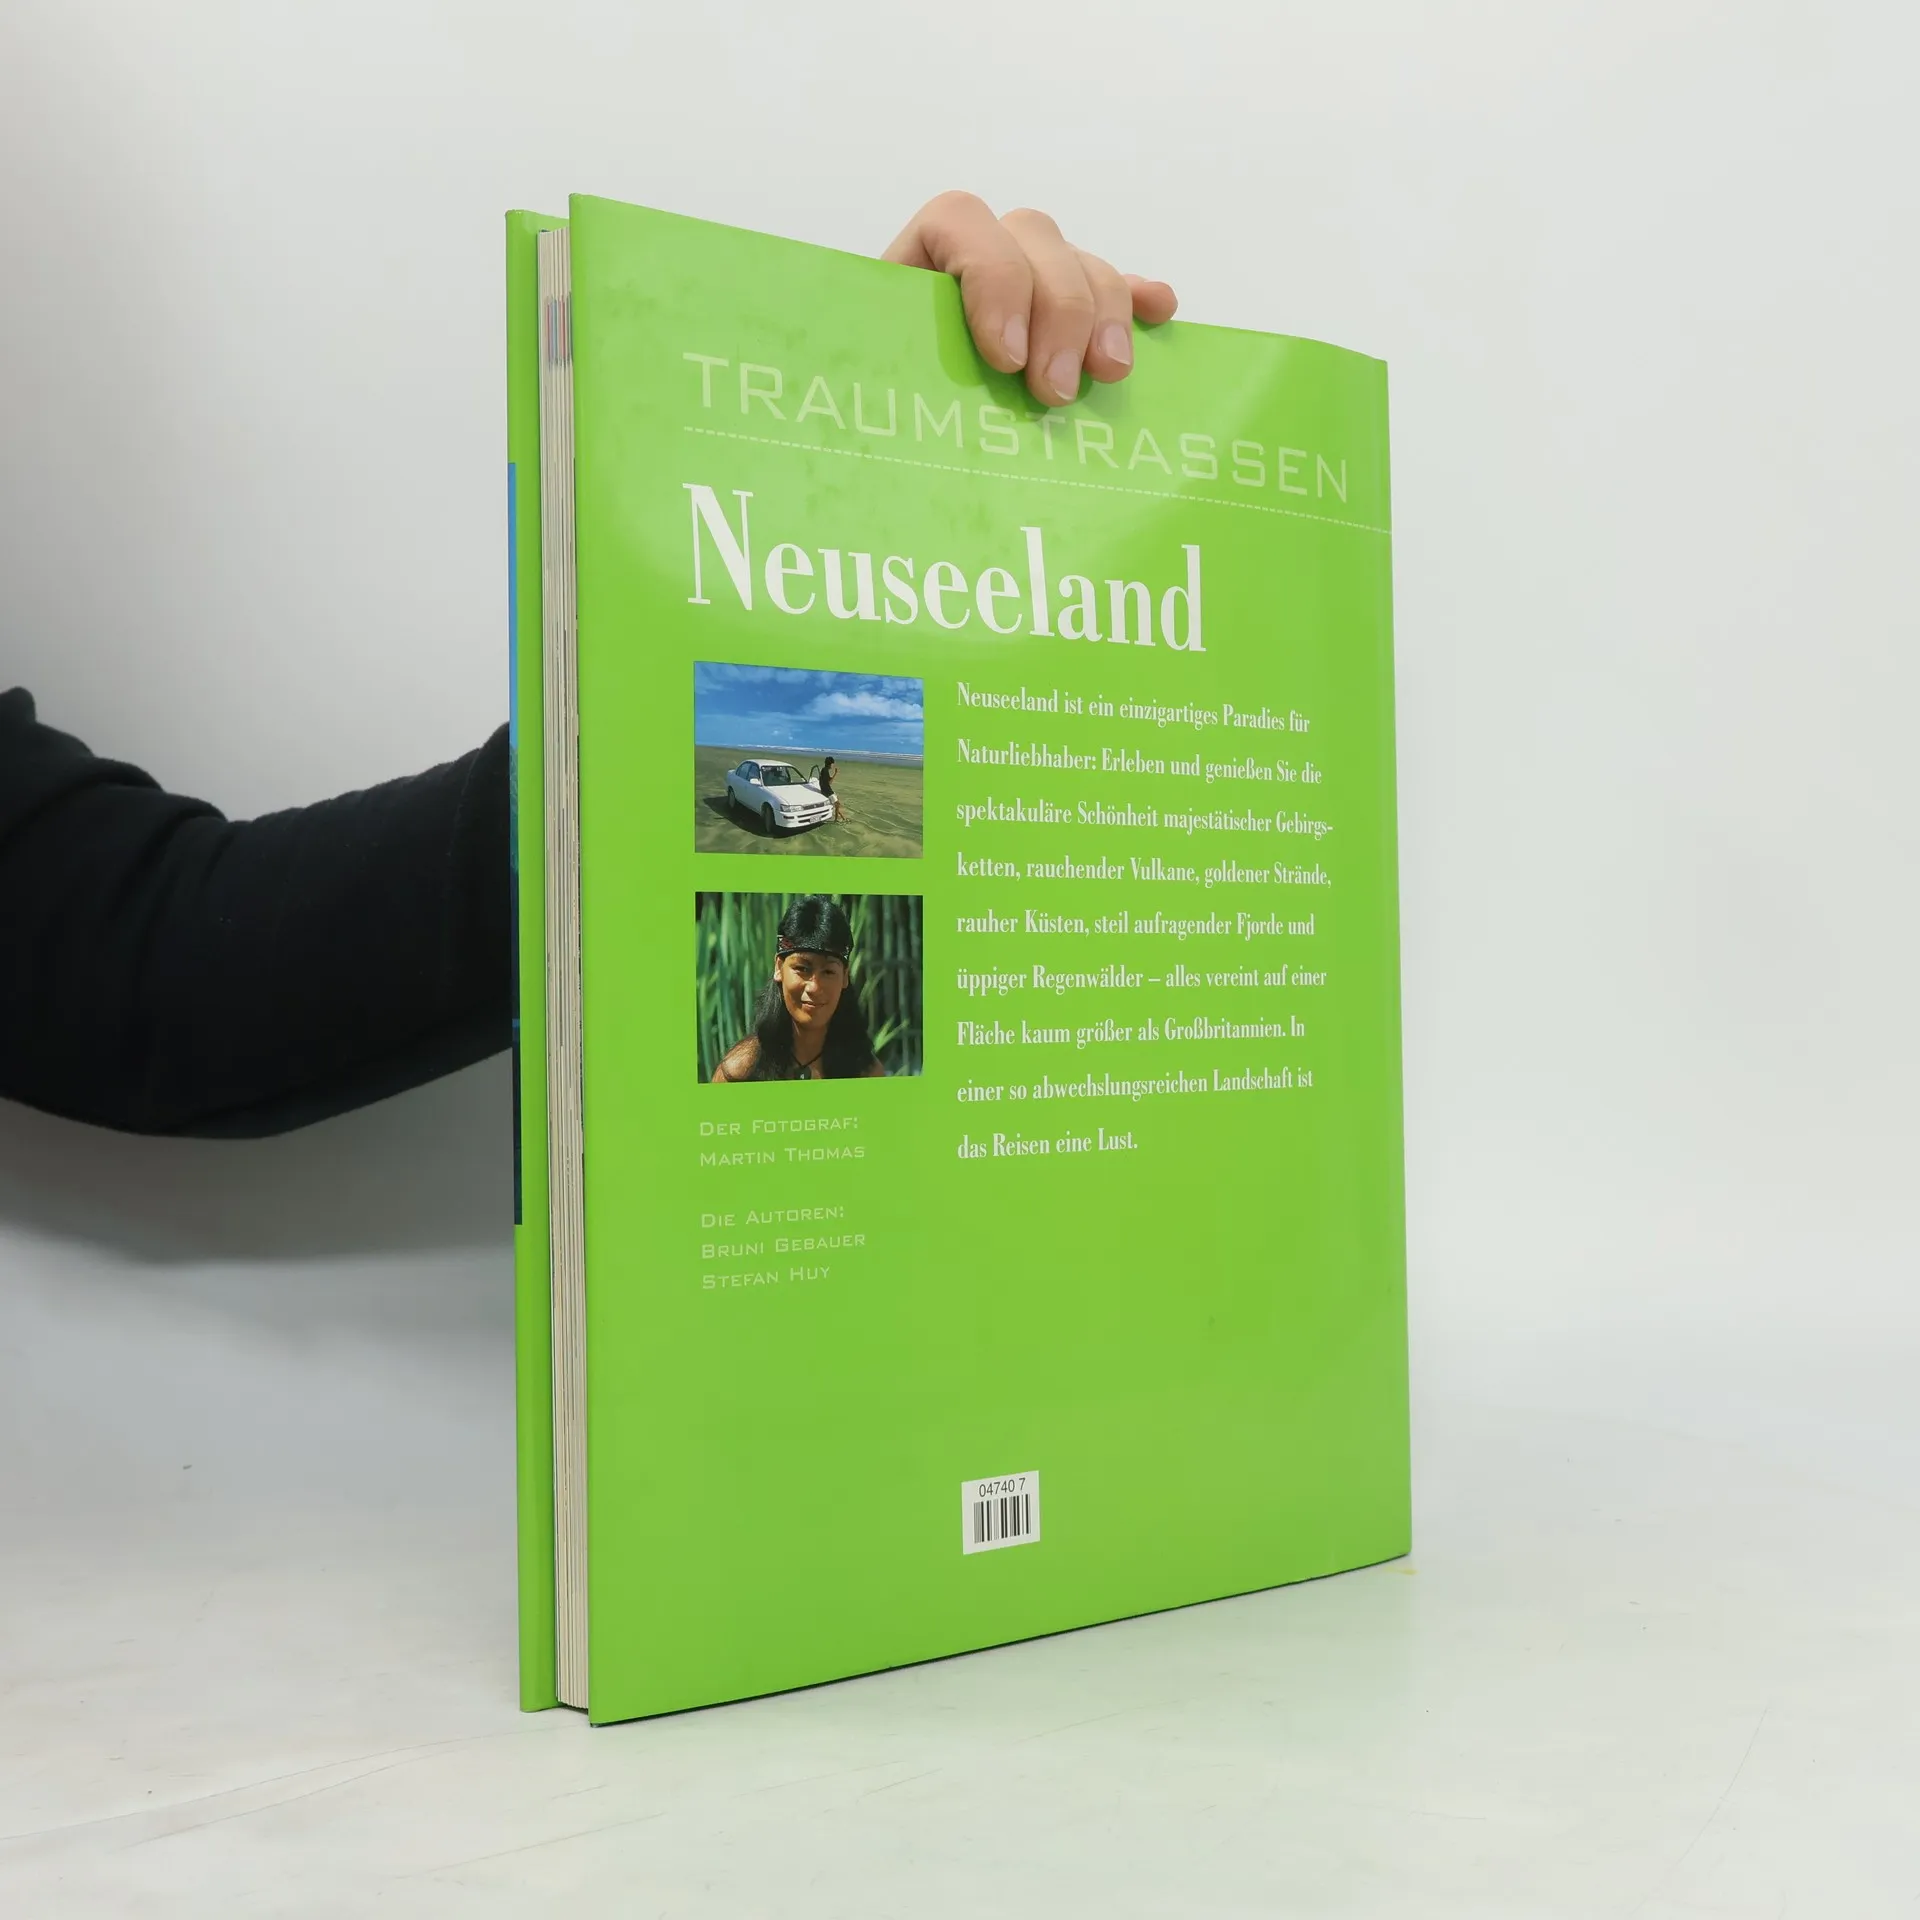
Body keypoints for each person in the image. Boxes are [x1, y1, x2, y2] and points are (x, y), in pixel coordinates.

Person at [0, 194, 1176, 1138]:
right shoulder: (751, 1052)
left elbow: (146, 955)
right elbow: (146, 975)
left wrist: (839, 518)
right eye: (804, 967)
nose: (815, 987)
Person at [709, 897, 880, 1083]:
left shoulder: (866, 1075)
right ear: (779, 967)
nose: (814, 987)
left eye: (828, 971)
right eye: (802, 969)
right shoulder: (739, 1072)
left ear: (845, 976)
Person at [816, 756, 843, 821]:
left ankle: (842, 817)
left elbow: (825, 780)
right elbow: (830, 782)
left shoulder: (824, 770)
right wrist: (835, 773)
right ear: (830, 764)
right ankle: (836, 820)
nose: (833, 766)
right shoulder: (825, 771)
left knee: (837, 801)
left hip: (825, 790)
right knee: (837, 804)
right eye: (832, 764)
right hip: (827, 791)